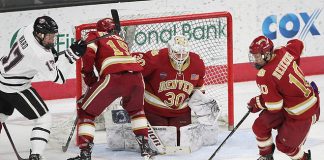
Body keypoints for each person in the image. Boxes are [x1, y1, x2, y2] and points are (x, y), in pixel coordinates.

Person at [68, 18, 157, 160]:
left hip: (114, 77)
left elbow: (88, 55)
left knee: (86, 111)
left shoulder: (94, 34)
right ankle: (145, 148)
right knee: (137, 111)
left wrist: (89, 77)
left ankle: (85, 154)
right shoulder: (121, 40)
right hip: (137, 77)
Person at [0, 16, 86, 160]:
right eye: (49, 37)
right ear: (39, 34)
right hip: (15, 87)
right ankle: (36, 156)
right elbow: (59, 78)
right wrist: (71, 55)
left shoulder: (27, 31)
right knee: (43, 119)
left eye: (53, 36)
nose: (52, 40)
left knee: (1, 116)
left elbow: (27, 46)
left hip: (1, 77)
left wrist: (52, 56)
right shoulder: (40, 55)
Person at [133, 35, 219, 146]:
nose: (181, 57)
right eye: (178, 54)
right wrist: (131, 96)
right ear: (170, 50)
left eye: (184, 54)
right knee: (161, 144)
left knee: (181, 143)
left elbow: (198, 87)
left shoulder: (197, 63)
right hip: (155, 110)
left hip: (181, 111)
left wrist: (201, 103)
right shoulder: (155, 59)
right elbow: (133, 72)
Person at [247, 35, 320, 160]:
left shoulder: (265, 75)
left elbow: (275, 107)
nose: (255, 60)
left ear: (267, 54)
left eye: (258, 56)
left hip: (303, 113)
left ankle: (304, 159)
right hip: (291, 103)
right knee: (260, 126)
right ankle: (266, 156)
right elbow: (298, 43)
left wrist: (257, 102)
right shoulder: (282, 51)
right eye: (254, 56)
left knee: (284, 145)